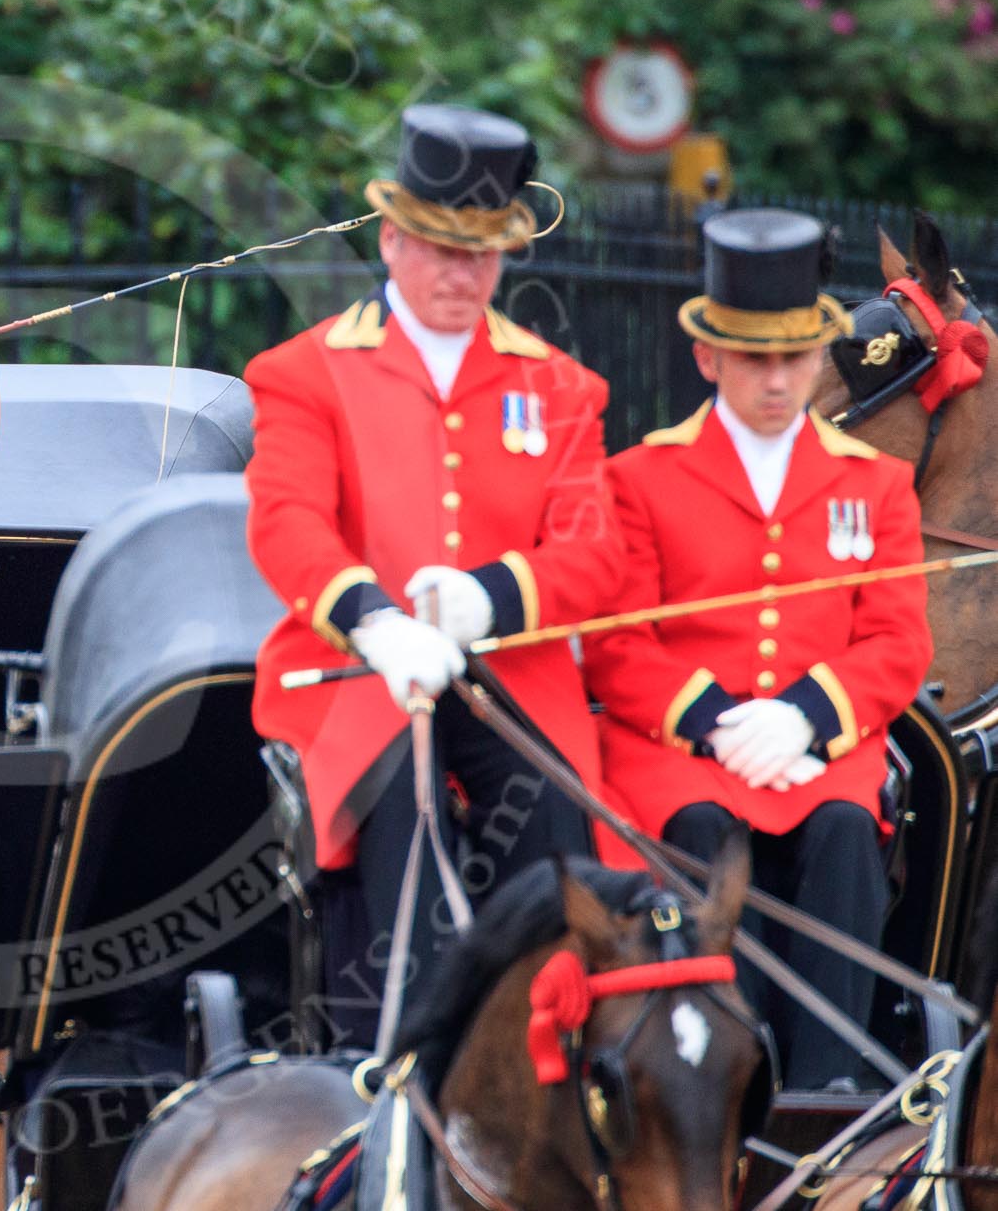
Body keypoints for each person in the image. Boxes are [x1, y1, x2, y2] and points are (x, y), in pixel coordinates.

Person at [246, 104, 623, 1019]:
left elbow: (594, 552)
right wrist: (377, 621)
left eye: (483, 251)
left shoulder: (559, 386)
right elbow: (287, 523)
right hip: (358, 674)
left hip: (514, 677)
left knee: (550, 845)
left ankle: (547, 1052)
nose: (464, 273)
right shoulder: (305, 370)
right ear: (391, 241)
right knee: (400, 833)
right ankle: (393, 1052)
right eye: (442, 248)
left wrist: (486, 600)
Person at [585, 208, 930, 1089]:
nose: (777, 379)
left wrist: (804, 719)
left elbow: (897, 640)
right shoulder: (641, 476)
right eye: (754, 358)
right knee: (699, 829)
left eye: (793, 357)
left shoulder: (877, 486)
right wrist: (718, 722)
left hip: (820, 752)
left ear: (820, 358)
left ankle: (823, 1097)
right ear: (710, 358)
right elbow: (618, 644)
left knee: (850, 833)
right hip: (683, 754)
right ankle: (707, 1087)